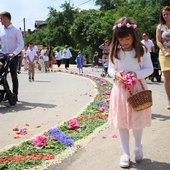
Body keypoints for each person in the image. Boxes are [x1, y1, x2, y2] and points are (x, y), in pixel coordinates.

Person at [108, 16, 153, 168]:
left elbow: (149, 69)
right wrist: (116, 74)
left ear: (133, 35)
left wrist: (135, 74)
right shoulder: (116, 51)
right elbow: (111, 68)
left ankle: (138, 146)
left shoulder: (142, 50)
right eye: (121, 39)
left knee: (137, 121)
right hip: (121, 91)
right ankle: (125, 153)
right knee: (122, 123)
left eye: (127, 38)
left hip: (137, 90)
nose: (124, 42)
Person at [0, 11, 24, 101]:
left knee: (14, 75)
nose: (0, 20)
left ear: (6, 19)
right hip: (3, 56)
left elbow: (21, 44)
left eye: (1, 18)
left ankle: (15, 94)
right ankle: (8, 92)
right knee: (2, 75)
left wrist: (14, 53)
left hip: (13, 56)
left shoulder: (16, 30)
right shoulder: (1, 30)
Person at [156, 6, 170, 110]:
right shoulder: (160, 27)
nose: (165, 16)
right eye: (163, 14)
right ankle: (169, 99)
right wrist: (164, 51)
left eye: (167, 14)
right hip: (164, 53)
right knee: (167, 77)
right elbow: (158, 41)